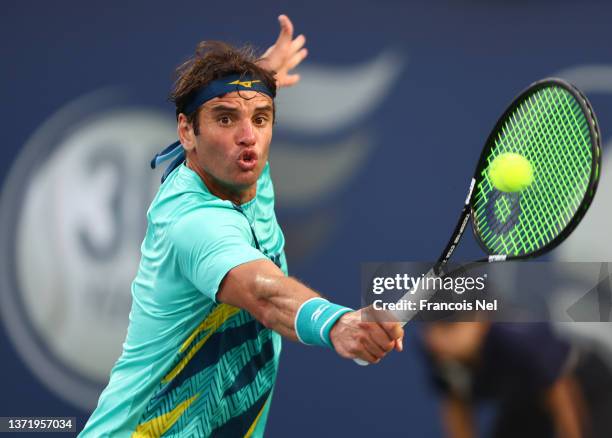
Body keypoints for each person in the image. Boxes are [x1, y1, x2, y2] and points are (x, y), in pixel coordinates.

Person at [80, 15, 404, 438]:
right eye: (225, 119)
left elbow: (244, 105)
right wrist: (336, 323)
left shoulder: (245, 169)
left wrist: (262, 73)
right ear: (186, 131)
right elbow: (265, 295)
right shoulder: (192, 222)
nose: (248, 136)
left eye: (261, 119)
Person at [421, 322, 612, 438]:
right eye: (433, 328)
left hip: (583, 384)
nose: (438, 339)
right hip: (525, 399)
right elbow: (456, 407)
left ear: (480, 322)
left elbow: (560, 392)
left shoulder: (514, 342)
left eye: (450, 327)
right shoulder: (436, 352)